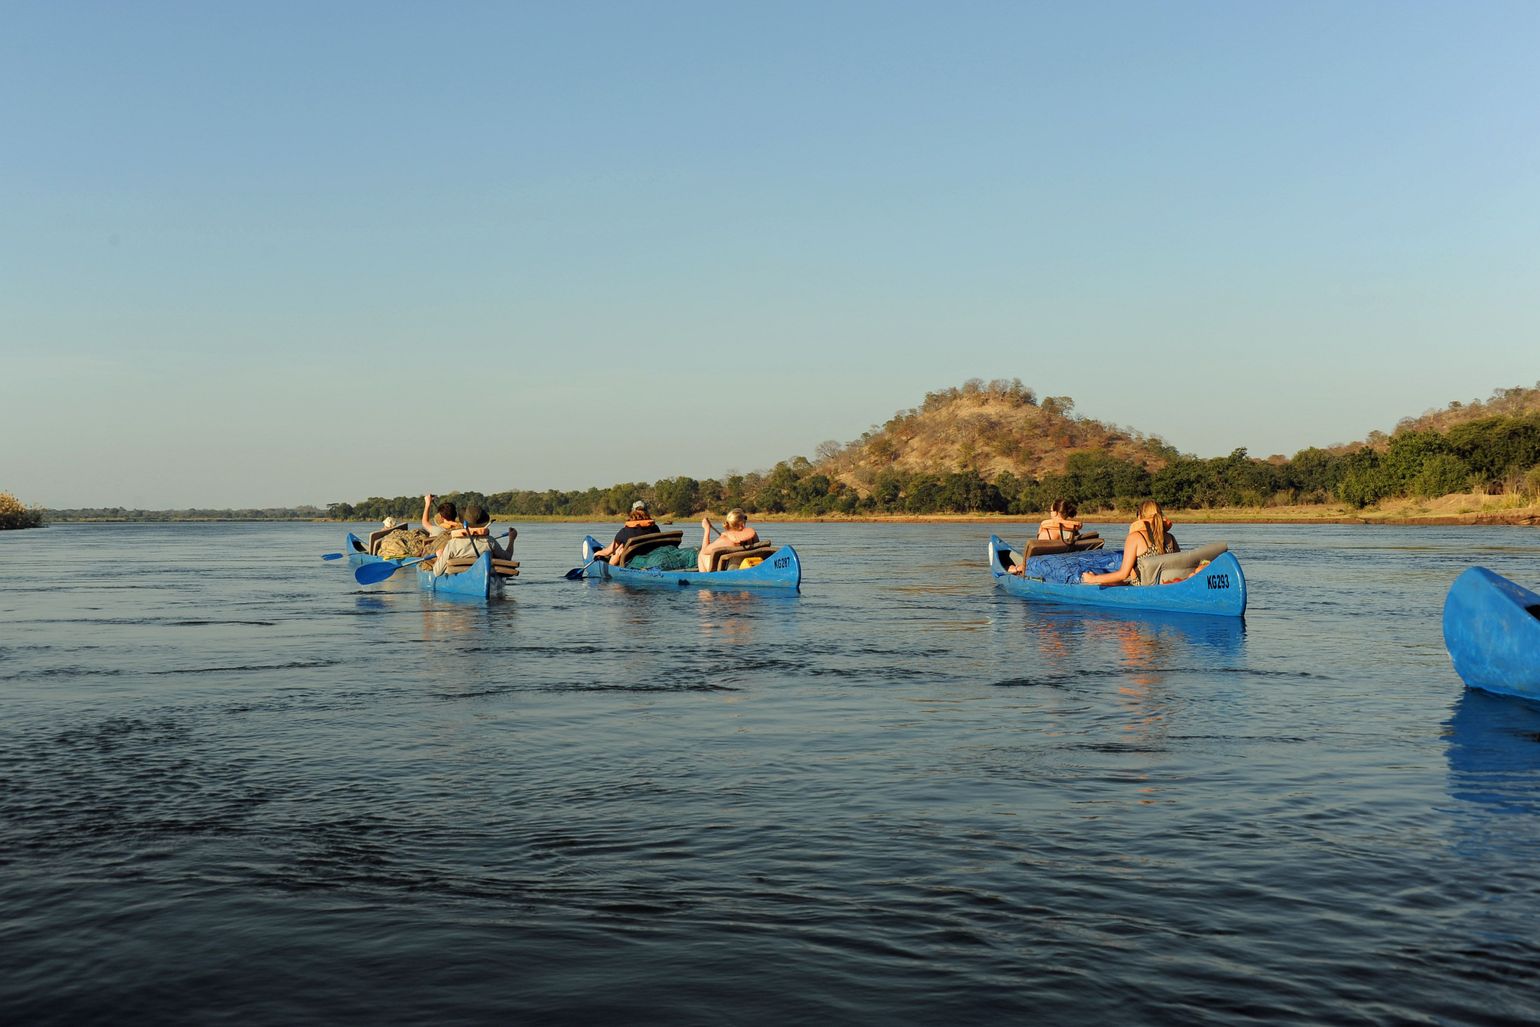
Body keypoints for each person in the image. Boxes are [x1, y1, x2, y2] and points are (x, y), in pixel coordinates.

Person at [1080, 500, 1180, 586]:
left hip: (1142, 587)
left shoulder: (1135, 537)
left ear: (1139, 515)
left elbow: (1123, 574)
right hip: (1166, 585)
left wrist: (1093, 579)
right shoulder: (1170, 538)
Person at [430, 504, 513, 575]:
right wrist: (511, 540)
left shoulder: (453, 543)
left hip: (460, 576)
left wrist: (440, 556)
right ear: (483, 523)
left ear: (464, 523)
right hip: (484, 574)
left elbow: (437, 572)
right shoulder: (490, 541)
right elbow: (507, 558)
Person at [592, 501, 662, 564]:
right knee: (621, 548)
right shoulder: (655, 528)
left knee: (619, 550)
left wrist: (597, 553)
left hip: (630, 562)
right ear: (647, 512)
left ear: (632, 512)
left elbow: (608, 551)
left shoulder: (625, 531)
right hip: (651, 560)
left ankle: (610, 569)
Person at [697, 508, 759, 572]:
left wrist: (707, 529)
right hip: (749, 566)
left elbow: (704, 550)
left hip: (731, 569)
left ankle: (703, 576)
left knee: (701, 554)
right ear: (742, 524)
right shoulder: (753, 536)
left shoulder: (725, 540)